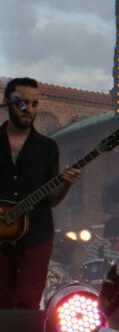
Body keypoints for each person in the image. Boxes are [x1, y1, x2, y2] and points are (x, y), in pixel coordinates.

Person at [0, 77, 80, 309]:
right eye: (23, 102)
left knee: (28, 301)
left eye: (35, 104)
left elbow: (51, 201)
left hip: (36, 233)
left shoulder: (47, 147)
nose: (30, 109)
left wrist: (66, 184)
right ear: (8, 102)